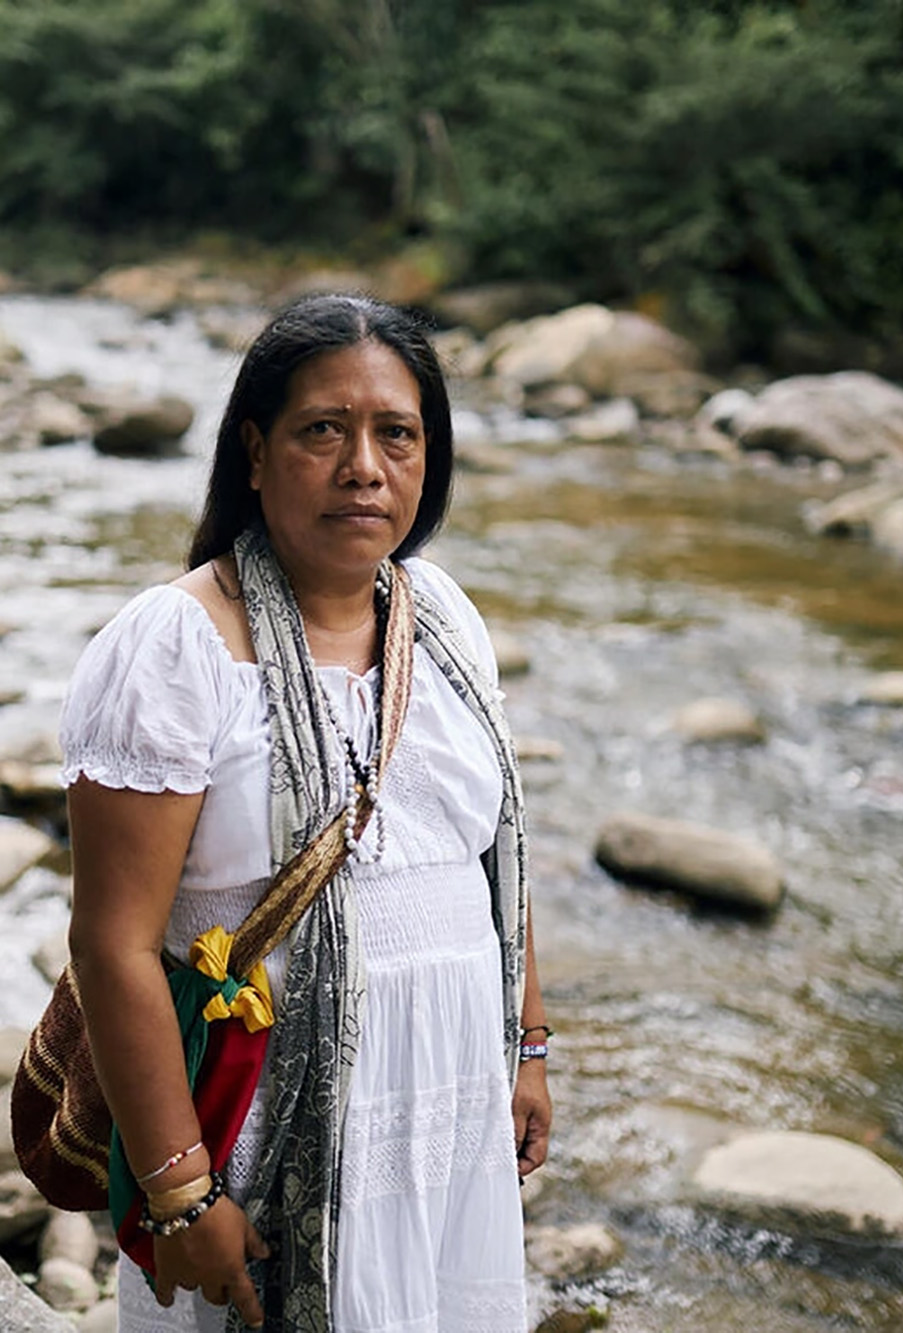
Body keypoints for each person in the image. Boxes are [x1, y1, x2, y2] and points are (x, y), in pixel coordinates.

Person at [60, 294, 551, 1332]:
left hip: (449, 1103)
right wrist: (181, 1190)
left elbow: (486, 859)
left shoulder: (444, 618)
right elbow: (113, 946)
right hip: (256, 1128)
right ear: (253, 449)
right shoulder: (177, 648)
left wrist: (528, 1048)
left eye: (396, 435)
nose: (363, 467)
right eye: (322, 430)